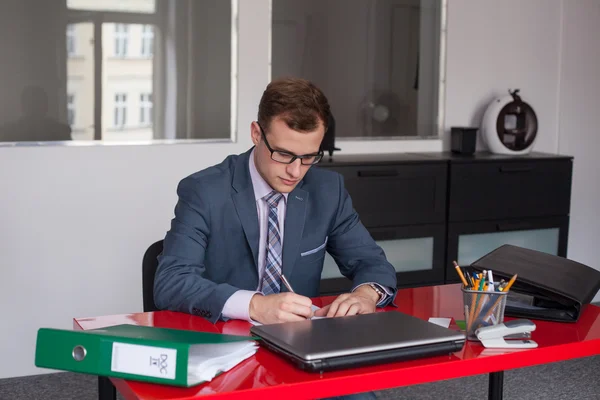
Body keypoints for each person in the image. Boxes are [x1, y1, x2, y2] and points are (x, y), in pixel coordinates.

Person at [154, 77, 397, 325]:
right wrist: (254, 306)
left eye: (309, 157)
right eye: (283, 154)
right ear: (256, 134)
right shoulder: (205, 191)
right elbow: (171, 282)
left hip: (300, 343)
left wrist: (366, 294)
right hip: (223, 339)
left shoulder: (327, 191)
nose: (296, 171)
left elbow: (372, 263)